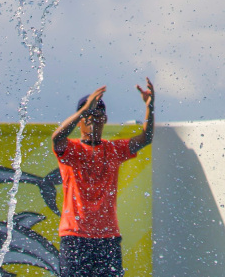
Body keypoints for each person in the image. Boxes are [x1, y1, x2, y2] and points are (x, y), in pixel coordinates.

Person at [51, 78, 154, 277]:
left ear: (105, 119)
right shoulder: (71, 149)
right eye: (86, 115)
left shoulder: (114, 149)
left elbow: (146, 138)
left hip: (107, 238)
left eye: (96, 114)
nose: (91, 119)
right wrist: (83, 110)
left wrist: (151, 108)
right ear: (79, 119)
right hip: (75, 237)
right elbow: (57, 138)